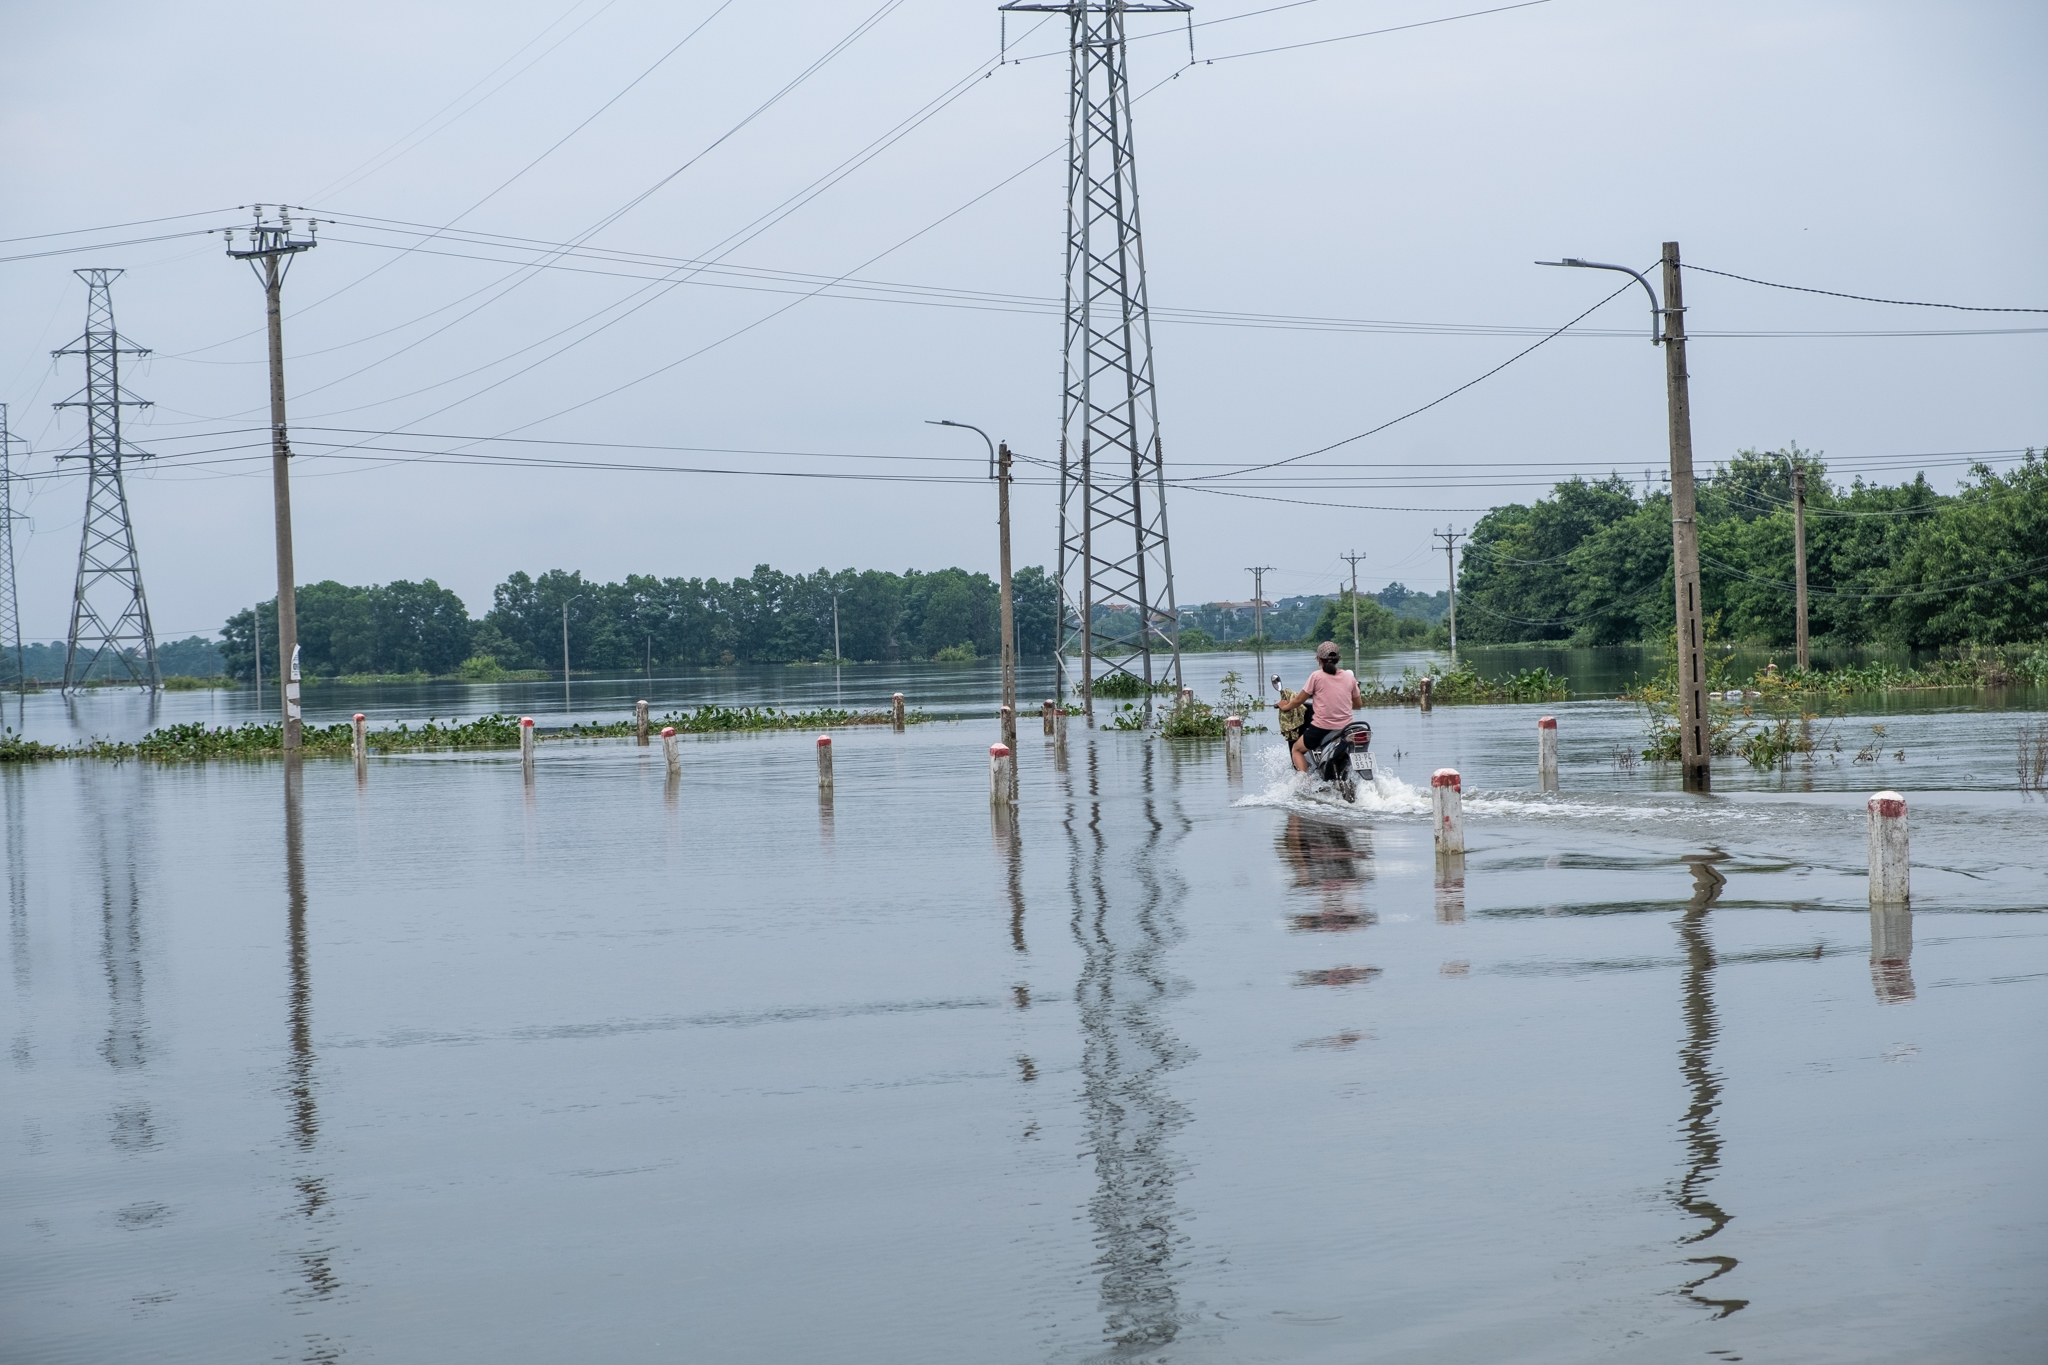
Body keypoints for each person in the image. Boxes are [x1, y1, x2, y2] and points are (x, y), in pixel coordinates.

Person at [1276, 641, 1364, 774]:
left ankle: (1304, 783)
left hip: (1322, 728)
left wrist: (1285, 707)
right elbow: (1358, 705)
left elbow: (1299, 700)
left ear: (1318, 659)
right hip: (1346, 729)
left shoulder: (1316, 676)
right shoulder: (1349, 677)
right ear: (1338, 659)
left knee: (1296, 749)